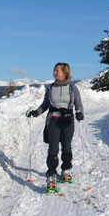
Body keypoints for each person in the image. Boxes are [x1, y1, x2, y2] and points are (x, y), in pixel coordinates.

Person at [26, 62, 85, 191]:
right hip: (53, 120)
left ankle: (66, 170)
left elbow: (78, 104)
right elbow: (45, 104)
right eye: (54, 70)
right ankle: (52, 175)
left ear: (64, 73)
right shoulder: (50, 88)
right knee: (53, 149)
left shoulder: (72, 88)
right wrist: (36, 112)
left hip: (67, 120)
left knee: (66, 147)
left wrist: (79, 113)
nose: (54, 72)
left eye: (57, 71)